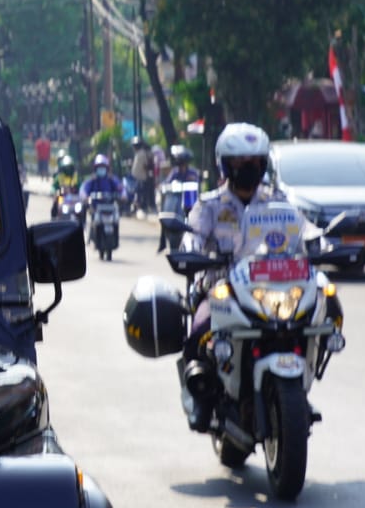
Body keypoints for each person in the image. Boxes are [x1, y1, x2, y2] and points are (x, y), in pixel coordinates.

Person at [179, 123, 305, 432]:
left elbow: (303, 231)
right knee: (199, 331)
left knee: (317, 315)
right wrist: (192, 250)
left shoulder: (278, 202)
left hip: (274, 289)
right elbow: (192, 236)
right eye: (240, 163)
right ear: (225, 164)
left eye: (255, 162)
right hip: (223, 289)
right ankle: (202, 400)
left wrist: (323, 242)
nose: (248, 168)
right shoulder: (209, 205)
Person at [157, 145, 202, 253]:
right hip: (175, 201)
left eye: (183, 163)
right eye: (180, 163)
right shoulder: (175, 173)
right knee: (163, 214)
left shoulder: (193, 173)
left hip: (190, 203)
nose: (182, 165)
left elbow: (197, 187)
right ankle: (162, 241)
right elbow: (166, 184)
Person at [130, 138, 153, 214]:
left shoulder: (142, 153)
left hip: (141, 177)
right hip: (136, 177)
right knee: (137, 192)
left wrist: (147, 174)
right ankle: (137, 206)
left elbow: (145, 165)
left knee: (141, 193)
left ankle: (142, 207)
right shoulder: (138, 153)